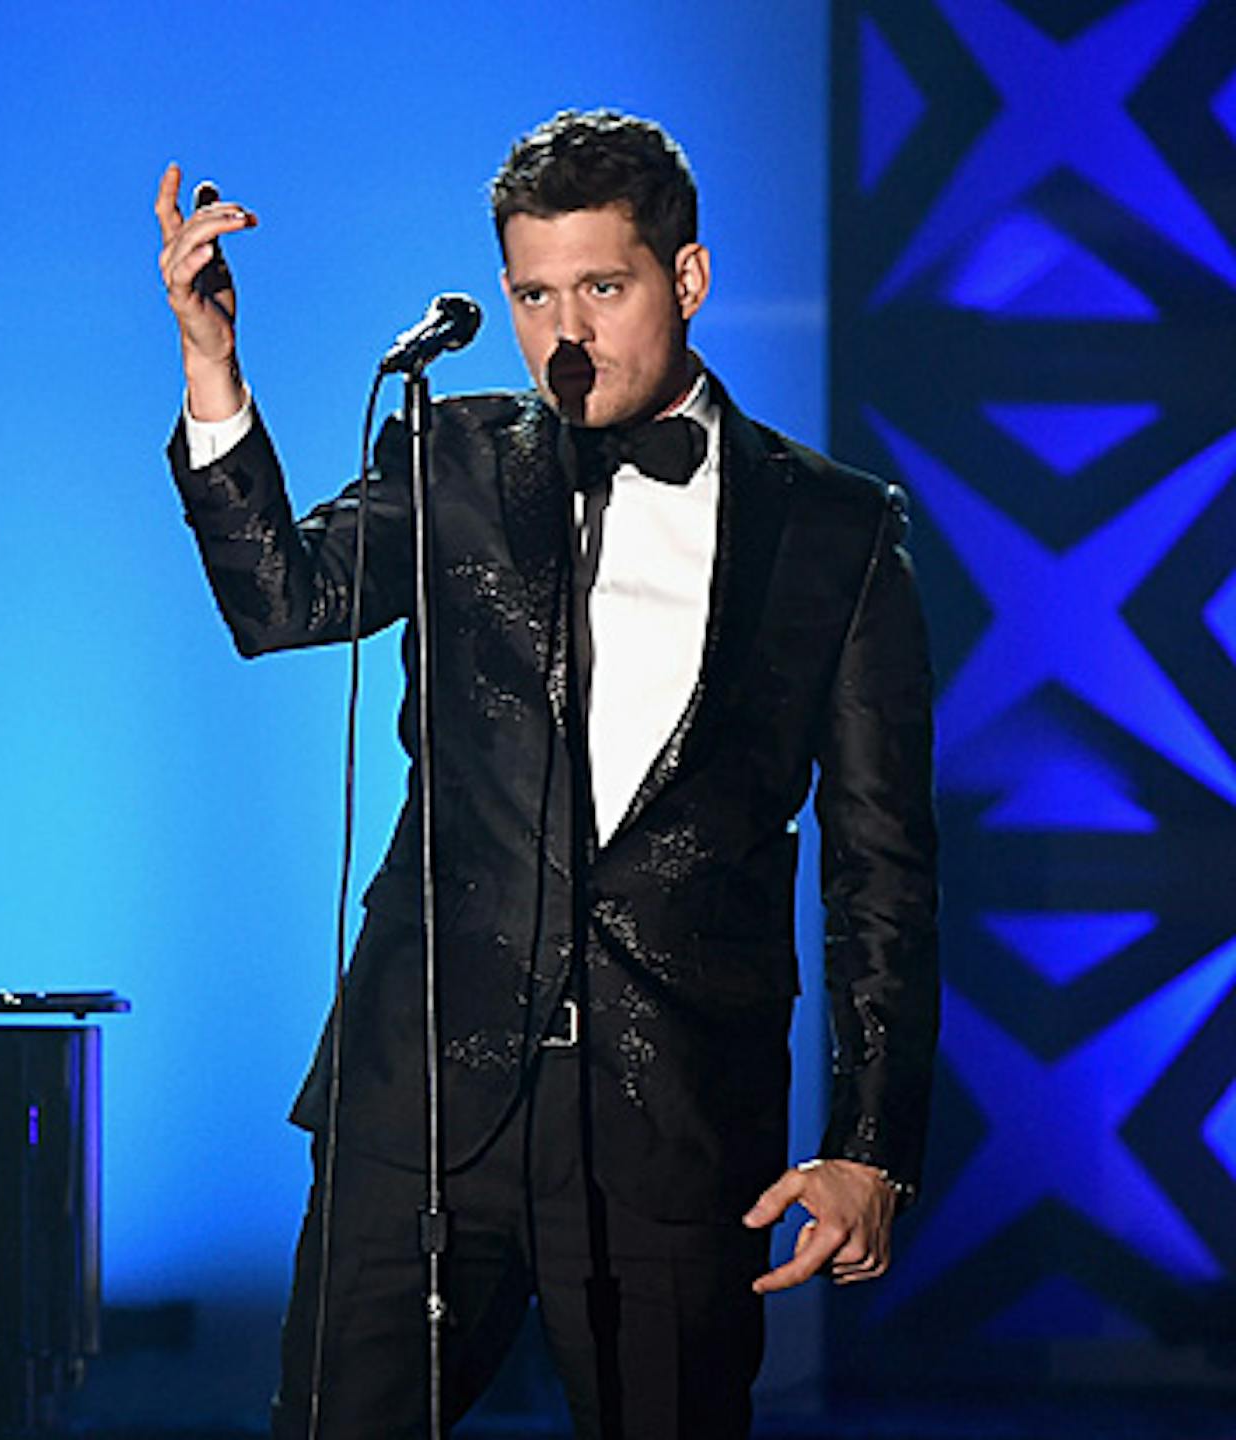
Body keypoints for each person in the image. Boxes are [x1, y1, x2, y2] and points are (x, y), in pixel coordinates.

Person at [152, 109, 939, 1440]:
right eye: (531, 295)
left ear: (685, 280)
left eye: (603, 288)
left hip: (675, 1112)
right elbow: (278, 601)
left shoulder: (835, 531)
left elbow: (884, 873)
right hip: (425, 1092)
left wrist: (872, 1146)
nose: (566, 334)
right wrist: (212, 362)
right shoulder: (453, 455)